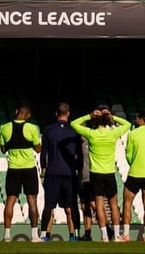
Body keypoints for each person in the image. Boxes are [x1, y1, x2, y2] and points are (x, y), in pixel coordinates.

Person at [71, 106, 132, 242]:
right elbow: (128, 124)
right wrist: (113, 117)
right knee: (113, 204)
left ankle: (104, 236)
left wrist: (89, 115)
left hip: (95, 174)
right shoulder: (112, 134)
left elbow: (73, 124)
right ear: (106, 121)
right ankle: (116, 235)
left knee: (99, 204)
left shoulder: (91, 134)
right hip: (109, 173)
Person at [38, 102, 81, 242]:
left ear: (56, 114)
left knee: (49, 205)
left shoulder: (48, 130)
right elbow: (79, 154)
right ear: (68, 114)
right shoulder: (75, 131)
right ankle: (73, 235)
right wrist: (78, 171)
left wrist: (43, 169)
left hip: (53, 172)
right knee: (70, 206)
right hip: (69, 173)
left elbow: (43, 153)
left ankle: (45, 235)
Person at [0, 105, 43, 243]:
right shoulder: (32, 128)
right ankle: (34, 235)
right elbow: (38, 149)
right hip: (29, 168)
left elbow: (2, 149)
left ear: (16, 112)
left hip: (13, 168)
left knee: (10, 200)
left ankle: (7, 235)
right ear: (28, 116)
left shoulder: (4, 127)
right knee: (32, 201)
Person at [121, 110, 145, 242]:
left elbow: (128, 155)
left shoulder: (133, 134)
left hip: (135, 173)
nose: (135, 120)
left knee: (127, 203)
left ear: (140, 119)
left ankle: (126, 234)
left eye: (136, 117)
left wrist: (135, 162)